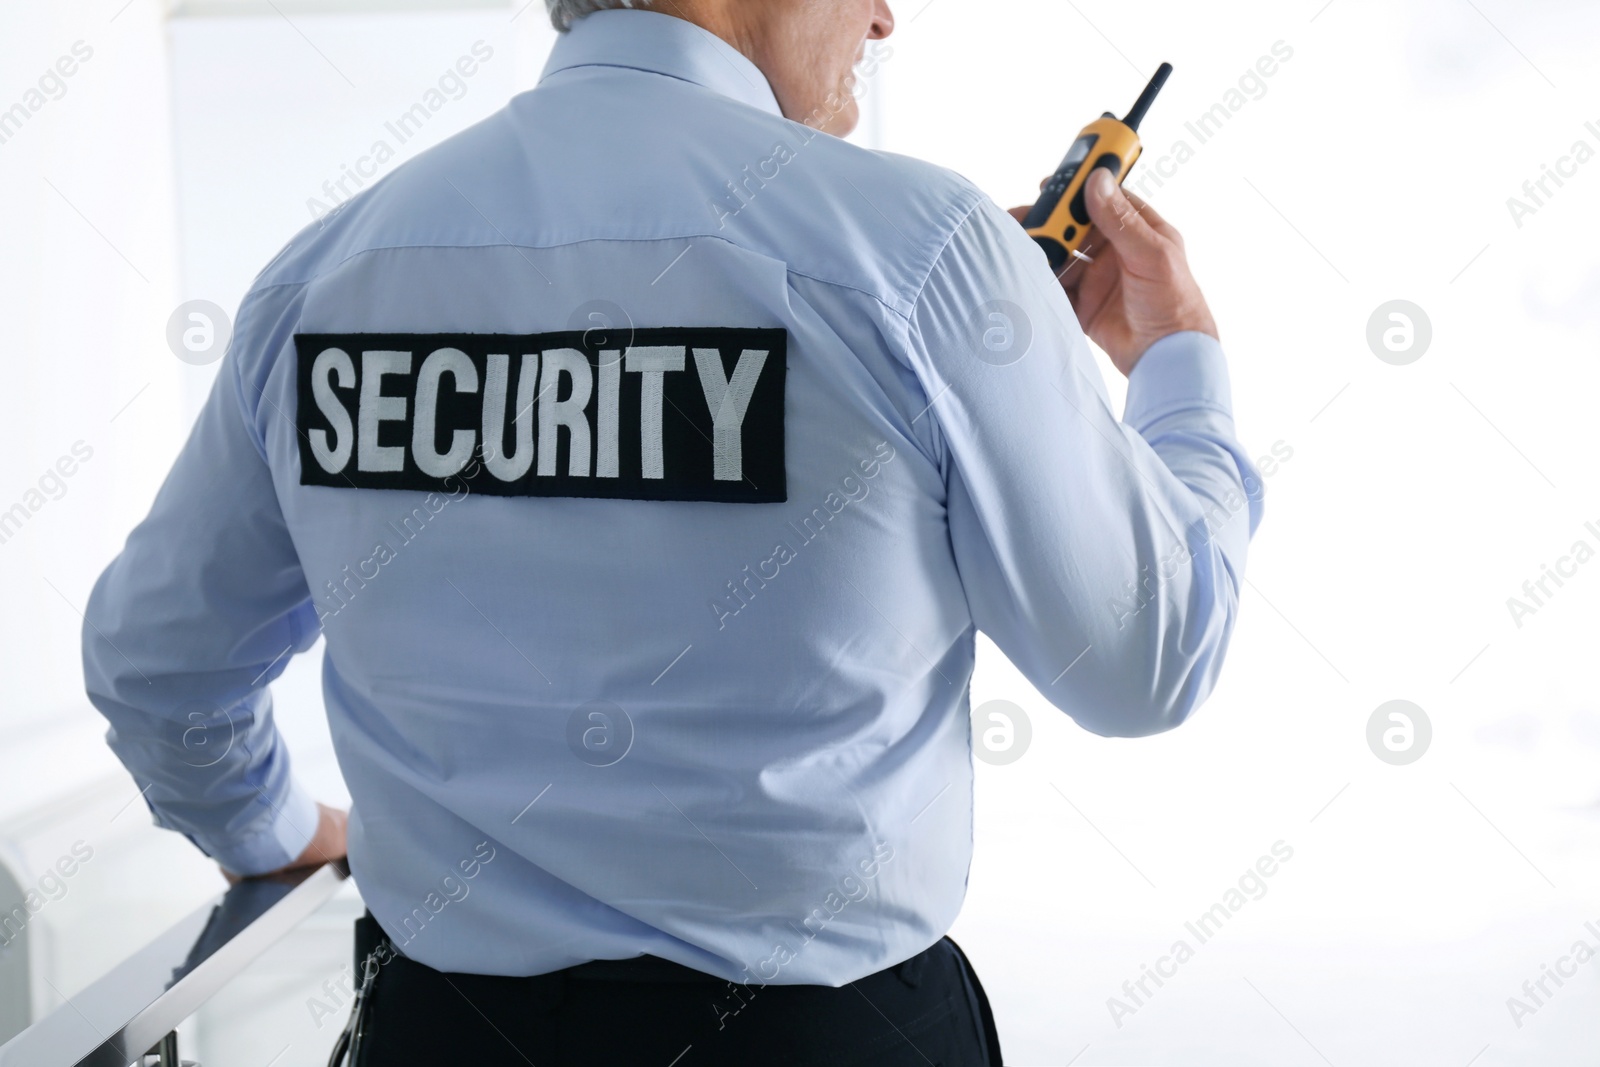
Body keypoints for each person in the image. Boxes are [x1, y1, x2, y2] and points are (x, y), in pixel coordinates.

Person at [81, 1, 1263, 1062]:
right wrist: (1178, 364)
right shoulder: (922, 247)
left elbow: (159, 667)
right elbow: (1145, 660)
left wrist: (273, 828)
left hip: (444, 1034)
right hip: (828, 1041)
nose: (886, 19)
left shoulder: (327, 273)